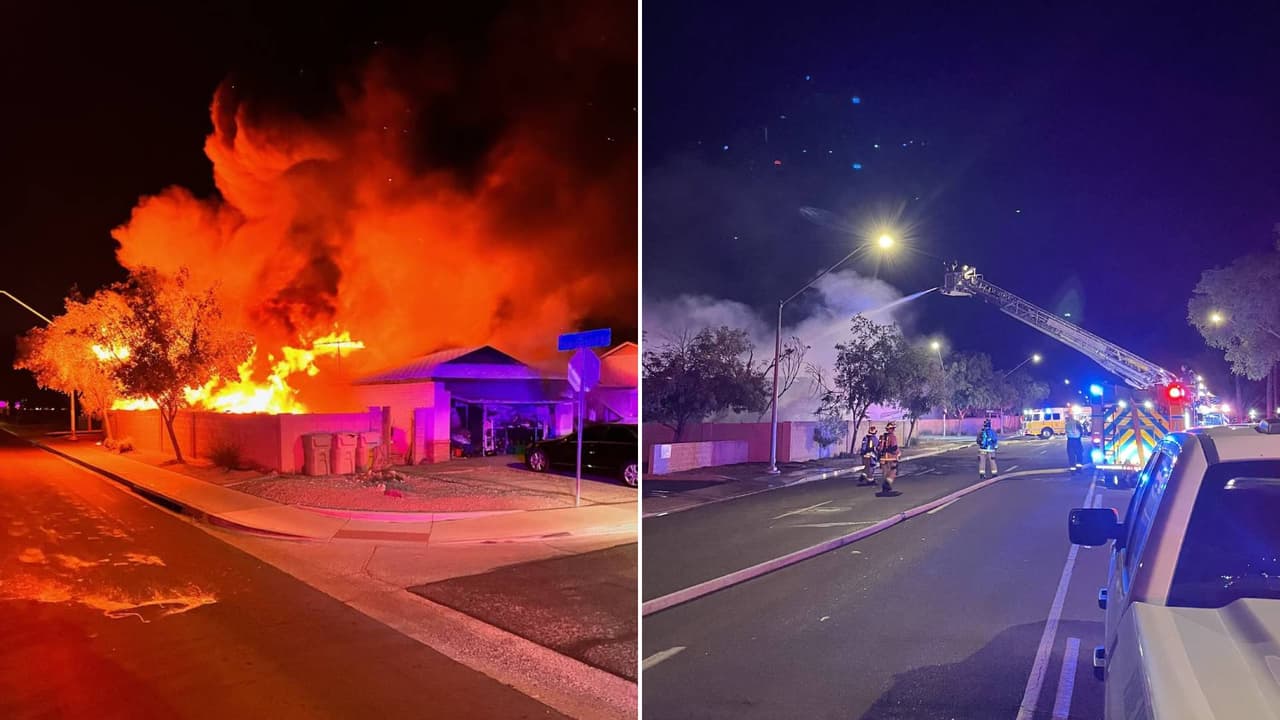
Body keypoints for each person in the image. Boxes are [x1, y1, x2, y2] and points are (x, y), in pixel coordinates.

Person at [878, 421, 902, 496]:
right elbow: (894, 447)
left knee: (885, 473)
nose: (893, 430)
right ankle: (887, 485)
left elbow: (878, 448)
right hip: (891, 458)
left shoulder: (882, 437)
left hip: (882, 458)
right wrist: (898, 453)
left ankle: (885, 487)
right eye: (893, 428)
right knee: (893, 471)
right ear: (892, 429)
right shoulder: (892, 437)